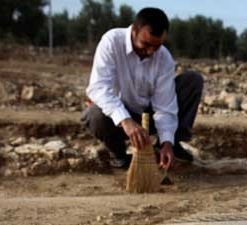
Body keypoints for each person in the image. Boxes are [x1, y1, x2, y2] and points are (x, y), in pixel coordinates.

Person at [82, 7, 203, 170]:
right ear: (133, 30)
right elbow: (98, 87)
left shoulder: (164, 57)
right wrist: (126, 121)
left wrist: (167, 141)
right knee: (94, 114)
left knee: (192, 81)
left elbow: (165, 105)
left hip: (148, 116)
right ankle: (118, 156)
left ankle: (167, 148)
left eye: (157, 46)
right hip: (118, 119)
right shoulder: (111, 42)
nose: (151, 51)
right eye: (145, 44)